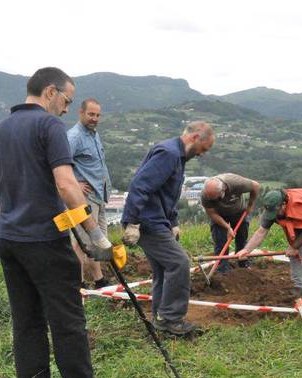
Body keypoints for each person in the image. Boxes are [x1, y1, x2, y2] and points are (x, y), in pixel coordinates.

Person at [0, 67, 111, 378]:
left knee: (26, 323)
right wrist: (94, 233)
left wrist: (0, 234)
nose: (67, 109)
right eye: (67, 100)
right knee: (66, 319)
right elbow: (67, 185)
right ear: (50, 92)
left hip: (10, 240)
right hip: (43, 239)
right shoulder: (48, 126)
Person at [121, 121, 215, 336]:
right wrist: (133, 222)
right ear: (195, 138)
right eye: (204, 148)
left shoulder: (177, 156)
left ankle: (161, 317)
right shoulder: (169, 154)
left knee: (164, 268)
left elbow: (165, 193)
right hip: (148, 220)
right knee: (179, 263)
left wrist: (173, 222)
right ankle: (172, 320)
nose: (202, 154)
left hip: (157, 218)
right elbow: (140, 185)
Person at [67, 98, 112, 289]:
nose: (94, 118)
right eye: (91, 114)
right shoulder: (74, 136)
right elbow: (58, 165)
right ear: (81, 113)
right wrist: (75, 184)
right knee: (81, 242)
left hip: (98, 196)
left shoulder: (94, 135)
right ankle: (78, 283)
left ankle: (99, 279)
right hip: (83, 199)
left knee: (99, 240)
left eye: (97, 115)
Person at [200, 173, 260, 273]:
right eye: (212, 200)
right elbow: (212, 214)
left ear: (224, 190)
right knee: (220, 242)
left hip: (239, 212)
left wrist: (250, 205)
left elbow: (255, 186)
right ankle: (222, 269)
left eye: (217, 199)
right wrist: (227, 227)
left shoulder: (235, 183)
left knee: (242, 239)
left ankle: (243, 263)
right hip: (219, 215)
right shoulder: (205, 195)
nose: (215, 201)